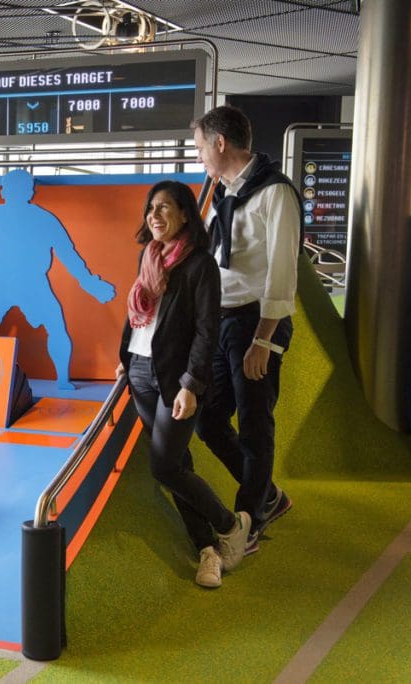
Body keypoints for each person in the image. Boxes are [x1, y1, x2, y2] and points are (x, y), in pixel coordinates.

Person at [118, 180, 251, 588]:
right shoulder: (150, 255)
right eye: (150, 209)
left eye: (164, 208)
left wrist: (192, 384)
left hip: (176, 378)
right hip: (140, 371)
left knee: (163, 465)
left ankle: (231, 526)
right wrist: (125, 359)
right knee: (179, 465)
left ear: (184, 215)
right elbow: (138, 312)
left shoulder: (199, 265)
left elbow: (206, 332)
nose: (154, 216)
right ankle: (207, 550)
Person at [192, 105, 298, 554]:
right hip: (222, 320)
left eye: (199, 148)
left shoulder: (275, 193)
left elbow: (282, 273)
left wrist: (263, 339)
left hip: (256, 323)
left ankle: (248, 521)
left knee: (255, 426)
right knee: (209, 419)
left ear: (220, 143)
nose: (199, 158)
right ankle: (269, 496)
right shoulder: (225, 194)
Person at [0, 169, 116, 389]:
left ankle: (63, 381)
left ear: (29, 191)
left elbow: (68, 254)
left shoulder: (43, 219)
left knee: (55, 327)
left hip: (31, 283)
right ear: (4, 192)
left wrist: (92, 284)